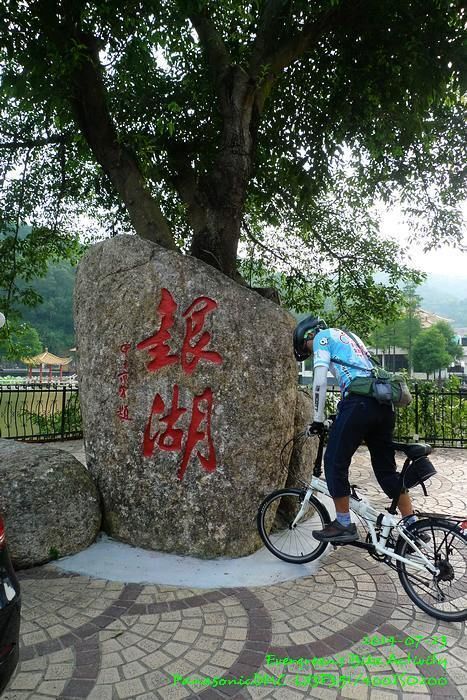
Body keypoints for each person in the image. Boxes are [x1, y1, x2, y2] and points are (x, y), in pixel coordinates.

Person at [293, 315, 419, 543]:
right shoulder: (351, 337)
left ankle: (343, 524)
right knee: (386, 471)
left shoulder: (321, 338)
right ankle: (413, 526)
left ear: (308, 336)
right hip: (383, 404)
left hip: (359, 403)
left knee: (334, 461)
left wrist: (318, 420)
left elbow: (319, 381)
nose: (311, 352)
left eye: (306, 348)